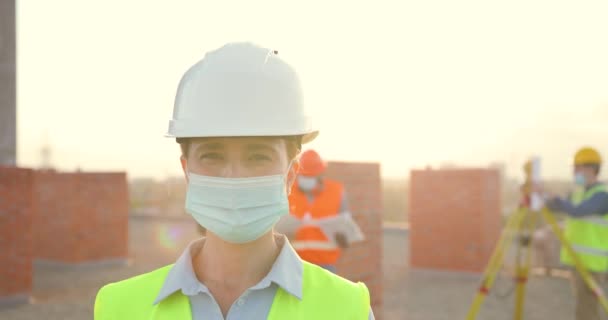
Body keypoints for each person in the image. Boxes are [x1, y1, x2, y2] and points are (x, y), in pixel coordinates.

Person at [94, 42, 374, 320]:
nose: (234, 175)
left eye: (258, 156)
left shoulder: (347, 308)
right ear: (187, 171)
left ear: (290, 175)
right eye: (212, 155)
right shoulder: (120, 307)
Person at [545, 147, 608, 320]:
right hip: (577, 261)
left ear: (591, 168)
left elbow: (578, 211)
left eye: (577, 167)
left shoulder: (602, 195)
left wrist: (557, 199)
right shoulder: (578, 193)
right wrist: (539, 195)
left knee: (586, 311)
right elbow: (559, 206)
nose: (574, 172)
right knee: (583, 307)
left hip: (592, 264)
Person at [288, 149, 352, 273]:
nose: (306, 179)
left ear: (320, 175)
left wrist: (343, 235)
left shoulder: (336, 191)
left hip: (326, 265)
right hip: (292, 262)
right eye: (304, 176)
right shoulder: (288, 191)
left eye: (310, 176)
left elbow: (346, 227)